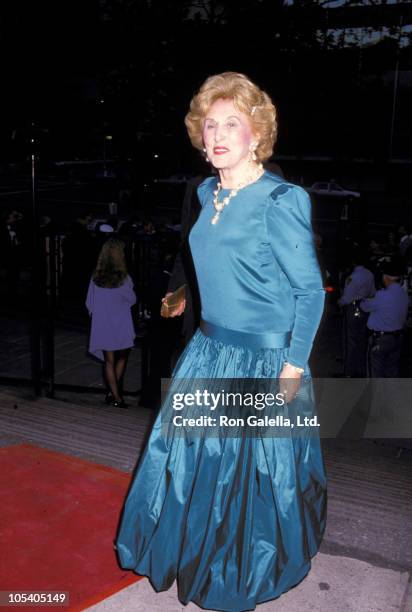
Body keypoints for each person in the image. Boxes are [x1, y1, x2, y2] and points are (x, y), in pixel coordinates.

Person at [116, 72, 326, 610]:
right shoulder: (207, 190)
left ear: (256, 132)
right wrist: (186, 289)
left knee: (250, 481)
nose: (218, 134)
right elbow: (217, 257)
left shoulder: (282, 198)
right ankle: (192, 554)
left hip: (263, 358)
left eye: (232, 122)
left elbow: (309, 292)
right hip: (208, 350)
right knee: (188, 466)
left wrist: (294, 367)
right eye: (210, 124)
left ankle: (236, 572)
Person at [86, 238, 136, 407]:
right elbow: (132, 300)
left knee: (109, 361)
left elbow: (89, 304)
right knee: (122, 358)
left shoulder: (95, 278)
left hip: (103, 324)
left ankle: (113, 394)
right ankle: (117, 397)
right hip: (121, 323)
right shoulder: (124, 279)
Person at [361, 259, 409, 377]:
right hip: (397, 338)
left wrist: (366, 297)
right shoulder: (404, 294)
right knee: (392, 372)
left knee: (377, 374)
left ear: (386, 278)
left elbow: (364, 306)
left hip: (381, 340)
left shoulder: (382, 295)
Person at [338, 249, 375, 377]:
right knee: (362, 340)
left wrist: (339, 302)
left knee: (351, 341)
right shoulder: (370, 274)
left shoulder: (352, 277)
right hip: (365, 307)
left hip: (353, 308)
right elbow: (372, 292)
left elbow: (347, 298)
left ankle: (349, 371)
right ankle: (360, 369)